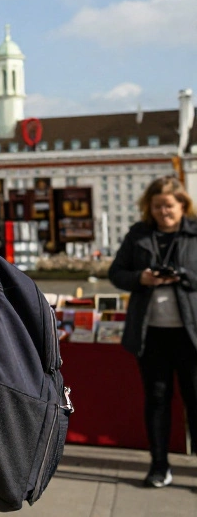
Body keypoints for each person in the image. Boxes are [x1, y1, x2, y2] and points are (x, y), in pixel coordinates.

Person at [108, 176, 197, 488]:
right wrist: (140, 278)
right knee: (157, 399)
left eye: (169, 206)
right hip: (151, 334)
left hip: (191, 335)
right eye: (157, 206)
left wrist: (185, 276)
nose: (163, 212)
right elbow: (116, 273)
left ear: (182, 205)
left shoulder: (194, 232)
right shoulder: (139, 234)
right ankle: (159, 466)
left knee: (195, 399)